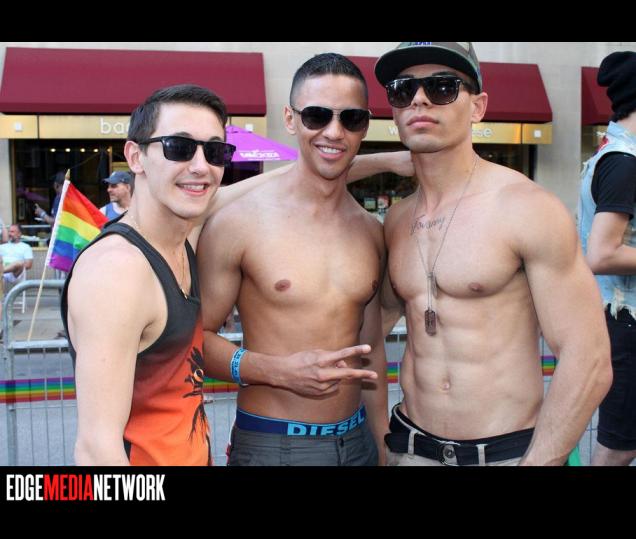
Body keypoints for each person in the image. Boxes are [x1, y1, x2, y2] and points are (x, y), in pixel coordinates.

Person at [61, 82, 388, 466]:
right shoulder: (117, 270)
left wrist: (393, 162)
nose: (200, 166)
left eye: (214, 151)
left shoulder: (179, 241)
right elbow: (96, 448)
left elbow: (298, 180)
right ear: (135, 156)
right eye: (179, 147)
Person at [375, 42, 612, 466]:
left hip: (506, 455)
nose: (419, 99)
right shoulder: (396, 220)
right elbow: (367, 333)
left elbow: (588, 358)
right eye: (402, 89)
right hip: (410, 449)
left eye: (443, 87)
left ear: (478, 107)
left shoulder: (526, 207)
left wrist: (540, 461)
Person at [198, 53, 388, 466]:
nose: (334, 132)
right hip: (273, 443)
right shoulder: (238, 223)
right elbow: (194, 342)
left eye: (351, 118)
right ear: (290, 119)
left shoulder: (370, 231)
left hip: (358, 442)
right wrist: (276, 371)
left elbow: (370, 351)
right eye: (317, 115)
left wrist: (381, 444)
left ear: (364, 126)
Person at [578, 51, 636, 466]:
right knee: (620, 446)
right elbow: (602, 253)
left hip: (616, 318)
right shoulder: (623, 162)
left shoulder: (612, 153)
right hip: (625, 323)